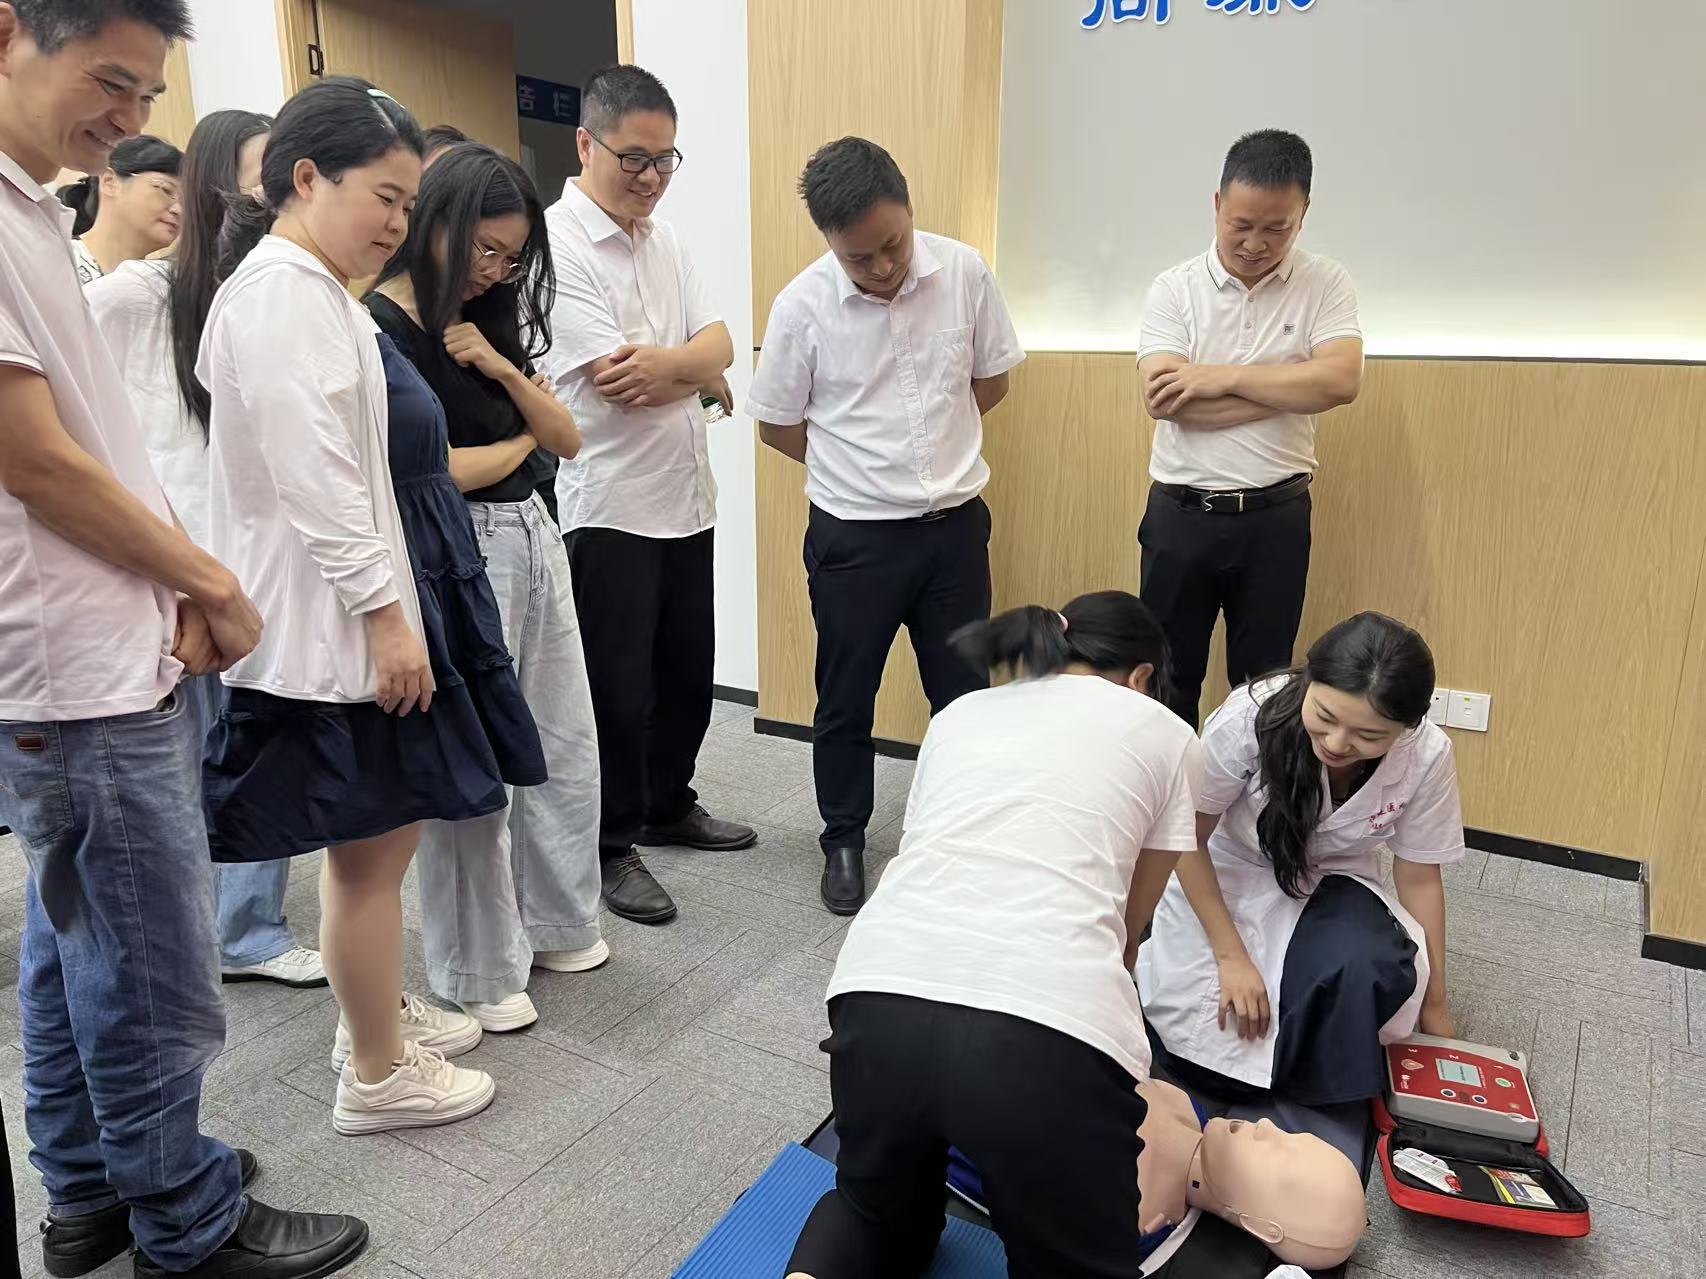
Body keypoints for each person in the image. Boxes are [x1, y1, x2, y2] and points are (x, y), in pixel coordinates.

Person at [0, 2, 366, 1276]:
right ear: (7, 30)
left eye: (149, 95)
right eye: (110, 81)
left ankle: (92, 1188)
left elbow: (89, 447)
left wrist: (177, 586)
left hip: (95, 644)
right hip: (74, 663)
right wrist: (210, 578)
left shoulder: (33, 212)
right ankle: (184, 1223)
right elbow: (35, 461)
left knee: (79, 942)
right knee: (149, 960)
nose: (130, 119)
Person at [195, 76, 544, 1134]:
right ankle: (379, 1073)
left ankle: (375, 1018)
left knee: (376, 847)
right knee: (370, 852)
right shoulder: (282, 296)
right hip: (331, 626)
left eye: (407, 202)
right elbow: (321, 479)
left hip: (343, 613)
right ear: (306, 179)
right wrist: (390, 618)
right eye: (383, 197)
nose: (397, 222)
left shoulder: (307, 291)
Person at [785, 591, 1203, 1279]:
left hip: (876, 994)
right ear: (1141, 676)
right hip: (1044, 1033)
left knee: (875, 1215)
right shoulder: (1166, 731)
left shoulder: (960, 713)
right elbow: (1129, 934)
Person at [85, 108, 328, 991]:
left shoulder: (271, 292)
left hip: (255, 563)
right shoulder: (133, 297)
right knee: (183, 768)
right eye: (261, 180)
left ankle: (247, 926)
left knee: (260, 745)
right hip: (174, 574)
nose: (275, 198)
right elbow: (81, 436)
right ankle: (199, 938)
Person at [750, 136, 1025, 915]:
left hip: (954, 531)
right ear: (829, 241)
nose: (880, 267)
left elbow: (990, 379)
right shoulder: (802, 305)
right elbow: (777, 424)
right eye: (858, 257)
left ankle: (960, 832)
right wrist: (860, 470)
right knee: (846, 697)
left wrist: (930, 455)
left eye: (893, 245)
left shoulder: (964, 271)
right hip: (855, 539)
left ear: (908, 208)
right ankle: (843, 838)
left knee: (964, 694)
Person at [367, 142, 607, 1032]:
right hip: (453, 547)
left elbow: (568, 438)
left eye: (510, 256)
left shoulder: (487, 317)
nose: (495, 270)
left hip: (533, 532)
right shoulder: (381, 326)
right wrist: (520, 443)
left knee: (562, 738)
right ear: (439, 220)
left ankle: (558, 921)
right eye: (483, 249)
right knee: (474, 763)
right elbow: (431, 474)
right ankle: (478, 965)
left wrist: (502, 369)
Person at [541, 63, 749, 927]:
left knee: (686, 672)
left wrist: (688, 363)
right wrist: (694, 368)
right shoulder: (555, 244)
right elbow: (615, 379)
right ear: (585, 144)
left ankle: (668, 803)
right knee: (615, 690)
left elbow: (722, 341)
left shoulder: (665, 241)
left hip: (685, 496)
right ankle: (609, 842)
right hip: (610, 503)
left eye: (666, 159)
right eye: (635, 157)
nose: (652, 176)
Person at [1139, 612, 1462, 1110]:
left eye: (1368, 735)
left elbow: (1419, 876)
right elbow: (1186, 837)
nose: (1337, 744)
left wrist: (1435, 1004)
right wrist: (1231, 956)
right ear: (1309, 680)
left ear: (1408, 728)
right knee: (1213, 1040)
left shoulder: (1427, 754)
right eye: (1325, 717)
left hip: (1334, 877)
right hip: (1228, 867)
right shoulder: (1249, 717)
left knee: (1371, 967)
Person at [1136, 130, 1363, 728]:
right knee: (1164, 681)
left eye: (1276, 228)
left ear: (1303, 213)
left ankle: (1255, 795)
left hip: (1275, 518)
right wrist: (1290, 384)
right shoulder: (1174, 288)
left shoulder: (1326, 283)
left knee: (1265, 691)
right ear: (1217, 204)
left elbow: (1341, 381)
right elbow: (1166, 400)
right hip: (1181, 515)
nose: (1255, 243)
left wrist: (1220, 377)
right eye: (1240, 225)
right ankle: (1170, 790)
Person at [57, 132, 180, 281]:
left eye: (188, 203)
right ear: (109, 182)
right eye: (166, 189)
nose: (179, 210)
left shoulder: (163, 285)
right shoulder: (55, 261)